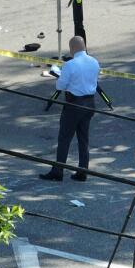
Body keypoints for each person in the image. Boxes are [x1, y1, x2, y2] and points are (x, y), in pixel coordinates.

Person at [39, 36, 100, 182]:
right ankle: (82, 171)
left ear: (72, 48)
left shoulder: (70, 65)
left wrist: (60, 76)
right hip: (90, 103)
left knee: (64, 138)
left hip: (74, 104)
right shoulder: (94, 62)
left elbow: (60, 86)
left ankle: (58, 170)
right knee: (83, 139)